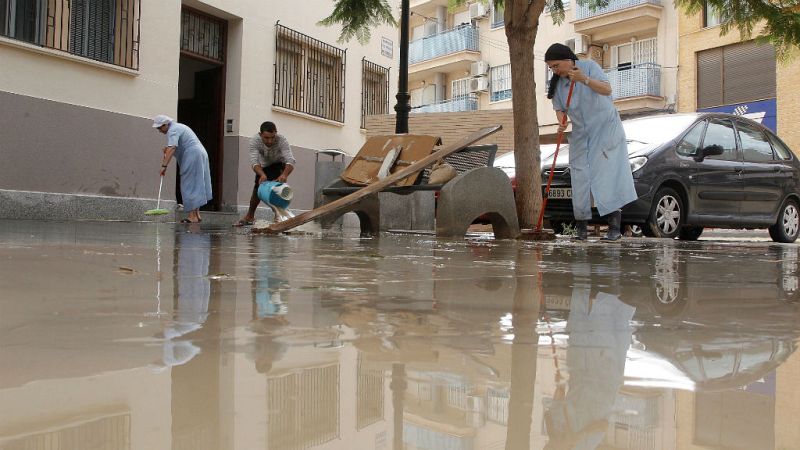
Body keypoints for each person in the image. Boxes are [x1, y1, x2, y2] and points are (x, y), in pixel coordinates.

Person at [545, 43, 637, 241]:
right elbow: (560, 110)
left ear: (568, 60)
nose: (554, 70)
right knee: (580, 177)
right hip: (580, 134)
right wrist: (561, 122)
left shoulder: (589, 67)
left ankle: (614, 227)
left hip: (605, 130)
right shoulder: (558, 84)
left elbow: (606, 89)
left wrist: (584, 80)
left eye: (556, 65)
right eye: (551, 67)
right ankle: (581, 229)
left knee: (607, 175)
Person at [234, 121, 296, 226]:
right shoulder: (255, 141)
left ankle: (280, 217)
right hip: (263, 166)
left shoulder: (282, 140)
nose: (270, 141)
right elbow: (254, 162)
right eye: (266, 138)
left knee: (277, 190)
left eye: (272, 137)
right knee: (257, 190)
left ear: (276, 133)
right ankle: (250, 216)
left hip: (279, 164)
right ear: (260, 134)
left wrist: (284, 175)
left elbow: (291, 160)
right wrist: (262, 175)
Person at [153, 115, 212, 223]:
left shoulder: (173, 130)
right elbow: (177, 147)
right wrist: (168, 150)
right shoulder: (179, 127)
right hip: (200, 153)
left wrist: (164, 166)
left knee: (189, 184)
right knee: (196, 183)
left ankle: (192, 216)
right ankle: (196, 214)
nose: (159, 131)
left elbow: (172, 147)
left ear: (165, 125)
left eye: (159, 128)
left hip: (193, 155)